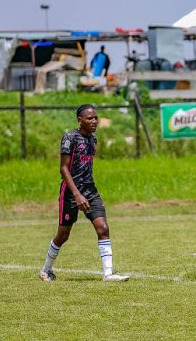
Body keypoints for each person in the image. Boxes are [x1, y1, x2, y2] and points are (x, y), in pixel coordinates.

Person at [39, 104, 129, 282]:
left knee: (103, 228)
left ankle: (108, 273)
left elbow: (87, 169)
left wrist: (92, 195)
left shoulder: (93, 140)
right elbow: (63, 169)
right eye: (90, 118)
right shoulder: (70, 138)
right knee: (63, 235)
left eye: (96, 118)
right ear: (80, 120)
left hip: (90, 189)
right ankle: (46, 270)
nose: (94, 121)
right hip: (71, 191)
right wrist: (77, 195)